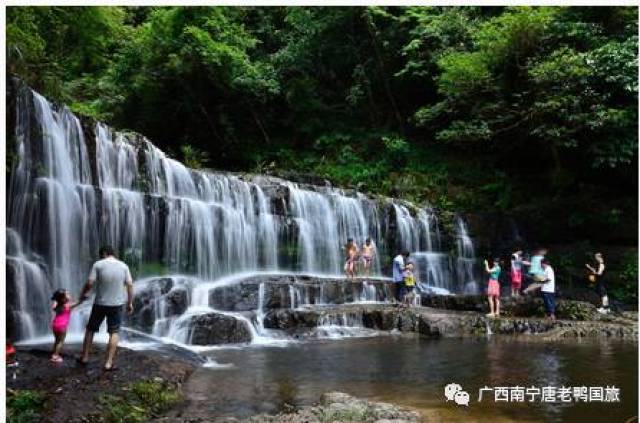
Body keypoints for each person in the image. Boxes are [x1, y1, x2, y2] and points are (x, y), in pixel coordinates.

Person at [77, 246, 134, 371]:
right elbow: (130, 285)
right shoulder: (124, 266)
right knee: (114, 332)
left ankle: (85, 357)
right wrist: (130, 303)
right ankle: (108, 363)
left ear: (104, 253)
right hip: (117, 304)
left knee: (90, 329)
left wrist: (82, 295)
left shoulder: (98, 264)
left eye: (101, 255)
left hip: (100, 303)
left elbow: (90, 283)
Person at [50, 289, 82, 363]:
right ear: (63, 299)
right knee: (60, 342)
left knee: (57, 340)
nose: (69, 295)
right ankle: (55, 356)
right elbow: (78, 303)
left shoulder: (56, 307)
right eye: (67, 294)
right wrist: (82, 299)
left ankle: (54, 351)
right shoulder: (67, 306)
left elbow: (54, 304)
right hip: (62, 327)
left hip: (55, 325)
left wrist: (55, 299)